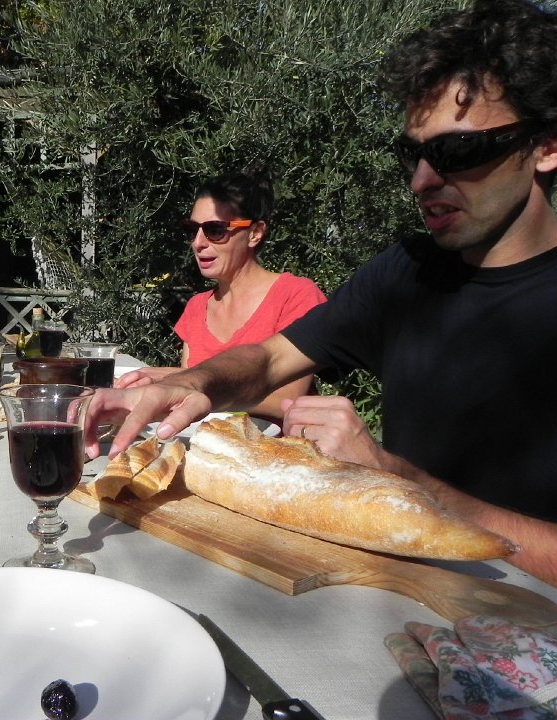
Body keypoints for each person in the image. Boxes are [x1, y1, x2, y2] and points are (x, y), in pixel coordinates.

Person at [88, 0, 557, 585]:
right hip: (397, 598)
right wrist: (190, 383)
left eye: (456, 151)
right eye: (412, 154)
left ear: (545, 145)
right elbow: (270, 359)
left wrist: (391, 474)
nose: (421, 180)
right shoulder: (407, 272)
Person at [115, 170, 326, 421]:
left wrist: (182, 381)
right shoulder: (197, 307)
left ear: (255, 233)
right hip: (208, 441)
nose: (198, 243)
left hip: (276, 444)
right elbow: (192, 404)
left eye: (215, 230)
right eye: (192, 229)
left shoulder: (295, 296)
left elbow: (286, 400)